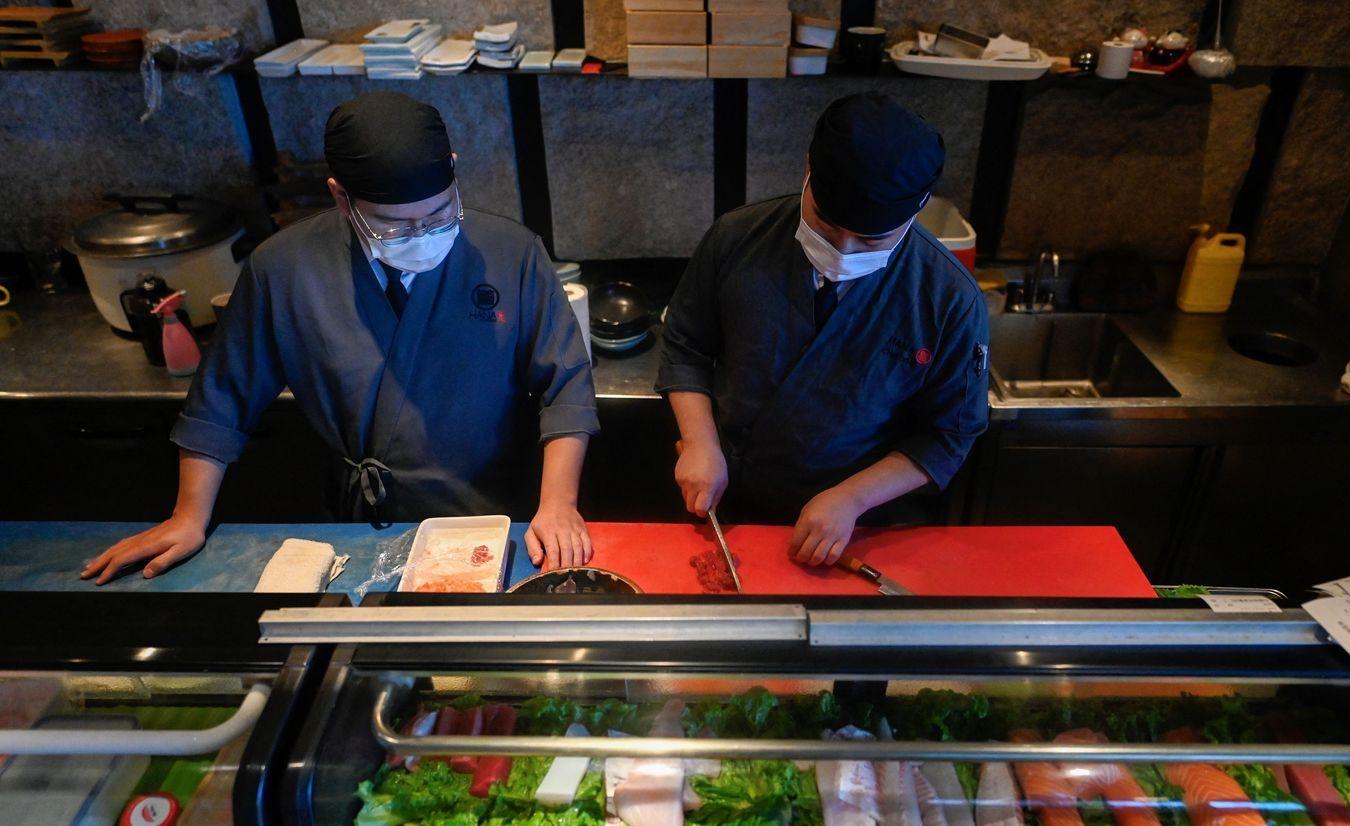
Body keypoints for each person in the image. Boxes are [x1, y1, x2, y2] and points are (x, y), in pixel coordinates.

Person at [84, 91, 598, 583]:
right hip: (358, 531)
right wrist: (188, 516)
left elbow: (566, 386)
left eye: (440, 215)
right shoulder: (284, 269)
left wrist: (557, 505)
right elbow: (220, 403)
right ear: (340, 197)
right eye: (393, 226)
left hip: (496, 522)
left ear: (455, 173)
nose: (421, 235)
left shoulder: (511, 251)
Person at [657, 92, 989, 567]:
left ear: (918, 207)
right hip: (731, 505)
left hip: (860, 527)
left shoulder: (949, 299)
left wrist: (852, 498)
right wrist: (699, 441)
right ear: (808, 167)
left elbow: (949, 434)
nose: (846, 252)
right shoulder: (736, 238)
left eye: (872, 238)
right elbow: (684, 346)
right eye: (828, 227)